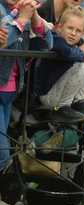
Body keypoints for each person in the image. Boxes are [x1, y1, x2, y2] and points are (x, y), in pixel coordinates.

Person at [1, 0, 52, 171]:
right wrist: (20, 19)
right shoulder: (8, 13)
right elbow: (3, 40)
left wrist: (34, 16)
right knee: (2, 153)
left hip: (11, 90)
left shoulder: (23, 13)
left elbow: (48, 43)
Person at [33, 6, 84, 123]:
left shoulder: (78, 41)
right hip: (47, 96)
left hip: (64, 94)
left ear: (82, 33)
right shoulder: (54, 39)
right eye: (70, 28)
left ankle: (78, 102)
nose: (73, 33)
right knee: (82, 66)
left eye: (78, 31)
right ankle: (63, 108)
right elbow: (65, 51)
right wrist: (83, 53)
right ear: (59, 27)